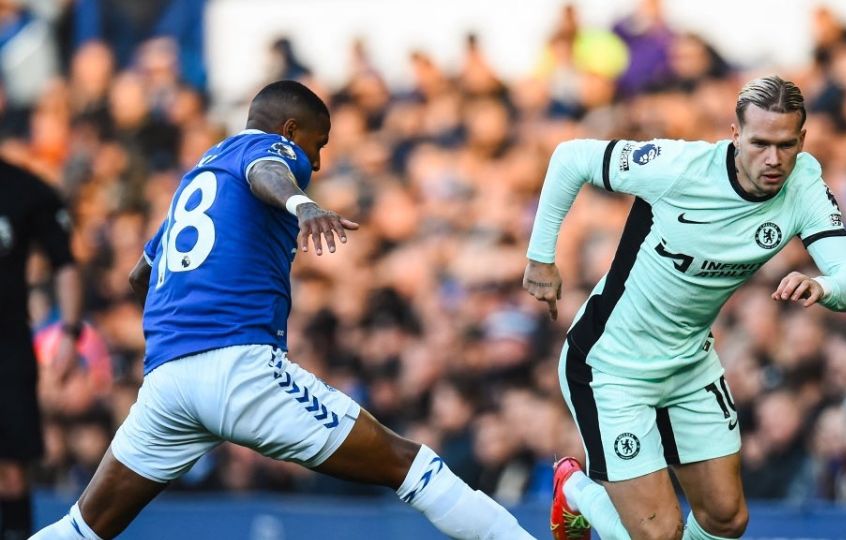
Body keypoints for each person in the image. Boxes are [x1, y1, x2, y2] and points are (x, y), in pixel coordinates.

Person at [31, 80, 534, 540]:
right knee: (409, 463)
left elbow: (140, 276)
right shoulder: (271, 151)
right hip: (238, 367)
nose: (315, 163)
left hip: (167, 381)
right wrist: (301, 204)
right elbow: (267, 170)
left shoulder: (198, 176)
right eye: (319, 144)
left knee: (81, 528)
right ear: (292, 130)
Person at [523, 75, 846, 540]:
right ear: (735, 135)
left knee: (727, 520)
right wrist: (541, 259)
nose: (773, 159)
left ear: (802, 140)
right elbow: (572, 158)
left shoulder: (804, 184)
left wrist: (822, 286)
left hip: (690, 364)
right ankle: (576, 490)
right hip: (611, 366)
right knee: (661, 534)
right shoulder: (679, 167)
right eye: (759, 143)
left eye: (786, 145)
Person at [1, 158, 83, 540]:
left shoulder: (24, 189)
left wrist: (69, 331)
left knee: (12, 466)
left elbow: (64, 262)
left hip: (7, 347)